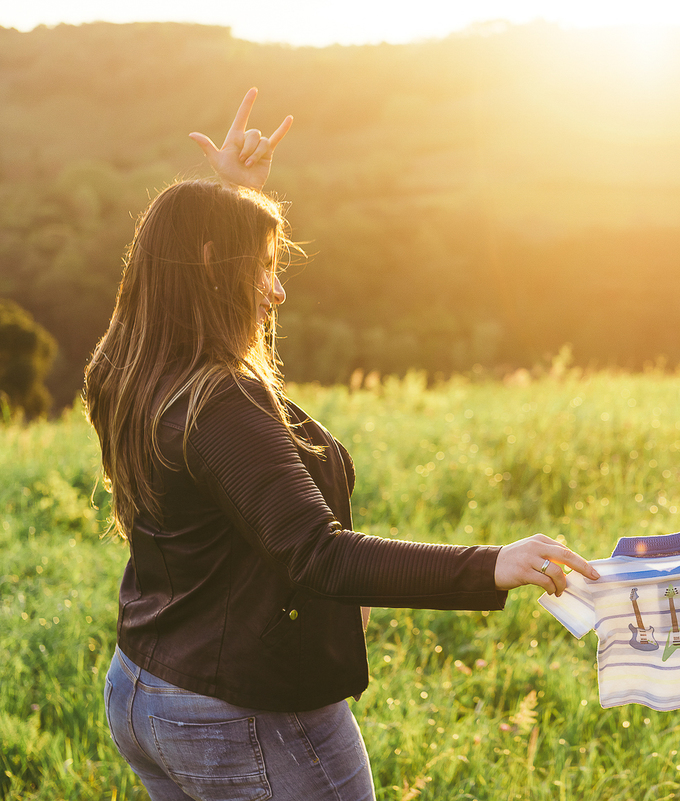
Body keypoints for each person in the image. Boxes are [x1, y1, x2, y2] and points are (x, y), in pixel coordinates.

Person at [85, 89, 599, 801]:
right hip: (242, 714)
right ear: (209, 265)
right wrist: (493, 565)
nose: (277, 292)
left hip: (145, 688)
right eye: (259, 268)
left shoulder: (126, 367)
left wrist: (229, 196)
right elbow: (319, 554)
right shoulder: (220, 402)